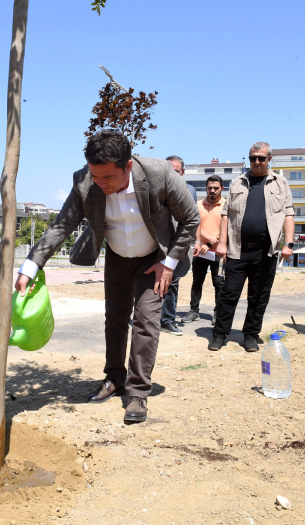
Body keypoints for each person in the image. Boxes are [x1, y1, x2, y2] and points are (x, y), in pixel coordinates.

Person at [15, 130, 199, 423]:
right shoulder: (85, 181)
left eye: (107, 178)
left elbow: (191, 218)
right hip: (116, 256)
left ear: (127, 166)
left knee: (146, 320)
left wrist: (170, 262)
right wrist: (31, 265)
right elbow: (62, 225)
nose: (99, 184)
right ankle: (114, 378)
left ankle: (138, 392)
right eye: (94, 176)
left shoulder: (158, 173)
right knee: (114, 317)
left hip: (154, 259)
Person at [211, 142, 294, 352]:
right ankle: (219, 334)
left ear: (269, 159)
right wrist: (222, 243)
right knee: (228, 295)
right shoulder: (237, 182)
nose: (256, 162)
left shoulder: (281, 184)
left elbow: (289, 215)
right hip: (237, 250)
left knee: (258, 297)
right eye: (253, 158)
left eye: (261, 158)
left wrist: (288, 244)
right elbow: (225, 214)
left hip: (266, 251)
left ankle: (250, 335)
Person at [159, 155, 197, 336]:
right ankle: (146, 317)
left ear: (182, 172)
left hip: (178, 244)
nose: (171, 176)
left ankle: (167, 320)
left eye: (175, 172)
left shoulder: (190, 190)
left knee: (172, 282)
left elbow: (192, 219)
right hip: (157, 243)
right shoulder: (155, 188)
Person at [184, 174, 226, 325]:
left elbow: (228, 229)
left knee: (219, 284)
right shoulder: (198, 205)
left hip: (219, 253)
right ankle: (194, 311)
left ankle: (218, 313)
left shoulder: (226, 206)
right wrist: (206, 240)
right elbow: (194, 225)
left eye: (216, 188)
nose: (212, 191)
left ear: (222, 188)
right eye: (210, 188)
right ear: (206, 189)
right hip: (200, 251)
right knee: (197, 282)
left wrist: (209, 244)